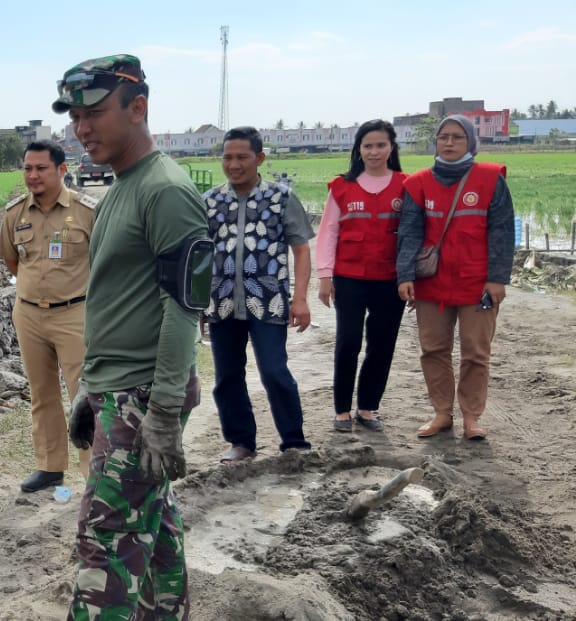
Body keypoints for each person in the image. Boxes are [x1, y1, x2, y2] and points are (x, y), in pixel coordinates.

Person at [56, 54, 211, 621]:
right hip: (118, 391)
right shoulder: (122, 186)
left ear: (138, 107)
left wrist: (164, 412)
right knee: (154, 531)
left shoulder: (165, 191)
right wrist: (89, 391)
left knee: (106, 551)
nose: (81, 128)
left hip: (143, 398)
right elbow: (120, 303)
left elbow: (183, 309)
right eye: (74, 115)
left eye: (94, 112)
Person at [396, 114, 514, 441]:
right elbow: (408, 233)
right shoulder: (418, 183)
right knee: (433, 350)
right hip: (431, 284)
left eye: (457, 137)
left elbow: (503, 232)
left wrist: (497, 278)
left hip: (478, 284)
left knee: (476, 352)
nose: (448, 143)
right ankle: (442, 413)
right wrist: (405, 275)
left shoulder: (491, 180)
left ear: (470, 143)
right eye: (443, 137)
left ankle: (472, 417)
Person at [204, 126, 315, 463]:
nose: (233, 164)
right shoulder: (210, 201)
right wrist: (197, 301)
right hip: (221, 303)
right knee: (227, 377)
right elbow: (200, 254)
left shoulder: (280, 197)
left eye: (242, 157)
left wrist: (300, 298)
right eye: (227, 157)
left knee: (274, 371)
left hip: (268, 302)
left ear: (260, 158)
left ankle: (294, 442)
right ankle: (241, 442)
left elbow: (301, 249)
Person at [0, 140, 97, 493]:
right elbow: (12, 261)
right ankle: (50, 466)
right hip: (28, 315)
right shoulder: (15, 214)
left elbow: (104, 263)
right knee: (41, 393)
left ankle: (93, 474)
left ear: (61, 170)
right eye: (27, 168)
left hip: (75, 313)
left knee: (83, 397)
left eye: (41, 168)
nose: (33, 175)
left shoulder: (87, 211)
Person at [315, 120, 407, 433]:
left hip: (389, 279)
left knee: (381, 344)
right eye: (367, 145)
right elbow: (328, 232)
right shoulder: (341, 187)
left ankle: (367, 408)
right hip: (350, 278)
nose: (374, 151)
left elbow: (414, 234)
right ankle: (341, 410)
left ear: (391, 148)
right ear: (359, 149)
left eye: (380, 145)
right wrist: (325, 276)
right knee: (349, 341)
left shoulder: (406, 186)